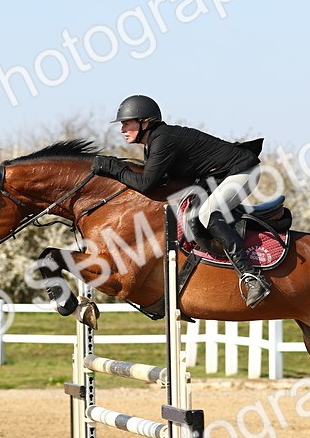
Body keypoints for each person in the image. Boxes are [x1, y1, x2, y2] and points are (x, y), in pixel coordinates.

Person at [89, 95, 271, 307]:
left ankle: (251, 277)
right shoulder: (154, 142)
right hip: (218, 176)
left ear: (145, 122)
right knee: (192, 212)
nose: (122, 129)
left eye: (126, 123)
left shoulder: (162, 140)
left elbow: (147, 183)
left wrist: (114, 168)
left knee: (207, 214)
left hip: (243, 170)